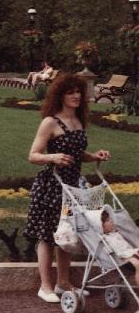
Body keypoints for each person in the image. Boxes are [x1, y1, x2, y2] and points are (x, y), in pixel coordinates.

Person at [25, 74, 111, 303]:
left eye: (78, 92)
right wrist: (52, 157)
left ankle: (63, 284)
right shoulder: (50, 122)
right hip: (52, 185)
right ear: (60, 95)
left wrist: (94, 156)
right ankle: (45, 287)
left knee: (67, 235)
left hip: (73, 186)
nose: (76, 96)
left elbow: (76, 154)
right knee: (47, 236)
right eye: (70, 92)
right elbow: (33, 155)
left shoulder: (78, 120)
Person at [101, 210, 139, 287]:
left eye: (110, 219)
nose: (111, 221)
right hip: (123, 258)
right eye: (107, 220)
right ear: (101, 226)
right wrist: (134, 252)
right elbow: (119, 252)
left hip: (130, 253)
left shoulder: (115, 233)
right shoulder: (105, 239)